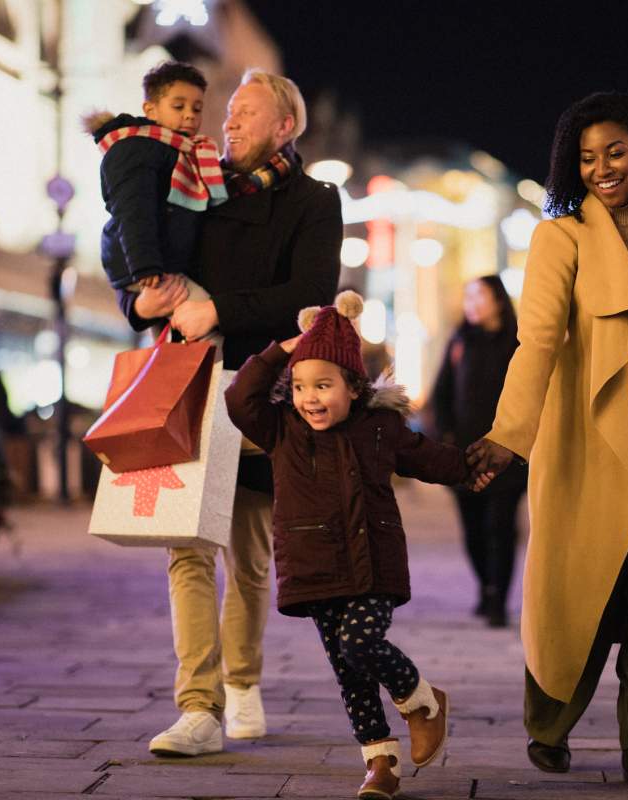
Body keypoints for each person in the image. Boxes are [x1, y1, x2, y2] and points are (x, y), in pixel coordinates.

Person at [468, 92, 628, 792]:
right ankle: (548, 725)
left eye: (615, 151)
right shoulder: (564, 237)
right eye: (586, 158)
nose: (602, 168)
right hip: (587, 442)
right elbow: (538, 341)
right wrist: (508, 436)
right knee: (578, 587)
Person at [118, 69, 341, 756]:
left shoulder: (313, 200)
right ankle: (198, 708)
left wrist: (222, 309)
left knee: (247, 552)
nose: (229, 122)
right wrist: (137, 304)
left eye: (247, 112)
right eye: (229, 111)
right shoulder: (196, 191)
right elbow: (144, 262)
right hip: (189, 384)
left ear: (285, 126)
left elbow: (310, 295)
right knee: (188, 547)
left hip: (261, 390)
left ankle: (242, 680)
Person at [224, 292, 472, 800]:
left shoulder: (378, 428)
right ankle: (380, 762)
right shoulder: (282, 430)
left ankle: (421, 701)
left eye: (323, 385)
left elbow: (430, 458)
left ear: (354, 387)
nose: (309, 398)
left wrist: (480, 466)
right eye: (298, 386)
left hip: (371, 564)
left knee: (360, 644)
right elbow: (241, 398)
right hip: (314, 570)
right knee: (348, 672)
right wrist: (283, 349)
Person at [86, 61, 226, 302]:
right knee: (207, 317)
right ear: (150, 110)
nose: (189, 115)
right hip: (145, 266)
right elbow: (134, 208)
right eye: (178, 106)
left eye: (197, 108)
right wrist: (145, 264)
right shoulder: (137, 148)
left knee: (173, 334)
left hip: (163, 264)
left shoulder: (185, 152)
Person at [431, 275, 526, 628]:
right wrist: (445, 439)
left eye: (479, 296)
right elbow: (441, 393)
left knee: (500, 527)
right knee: (472, 530)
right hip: (464, 457)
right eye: (467, 296)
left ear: (498, 301)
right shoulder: (459, 341)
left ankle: (498, 598)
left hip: (508, 457)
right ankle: (485, 587)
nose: (471, 303)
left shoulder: (519, 342)